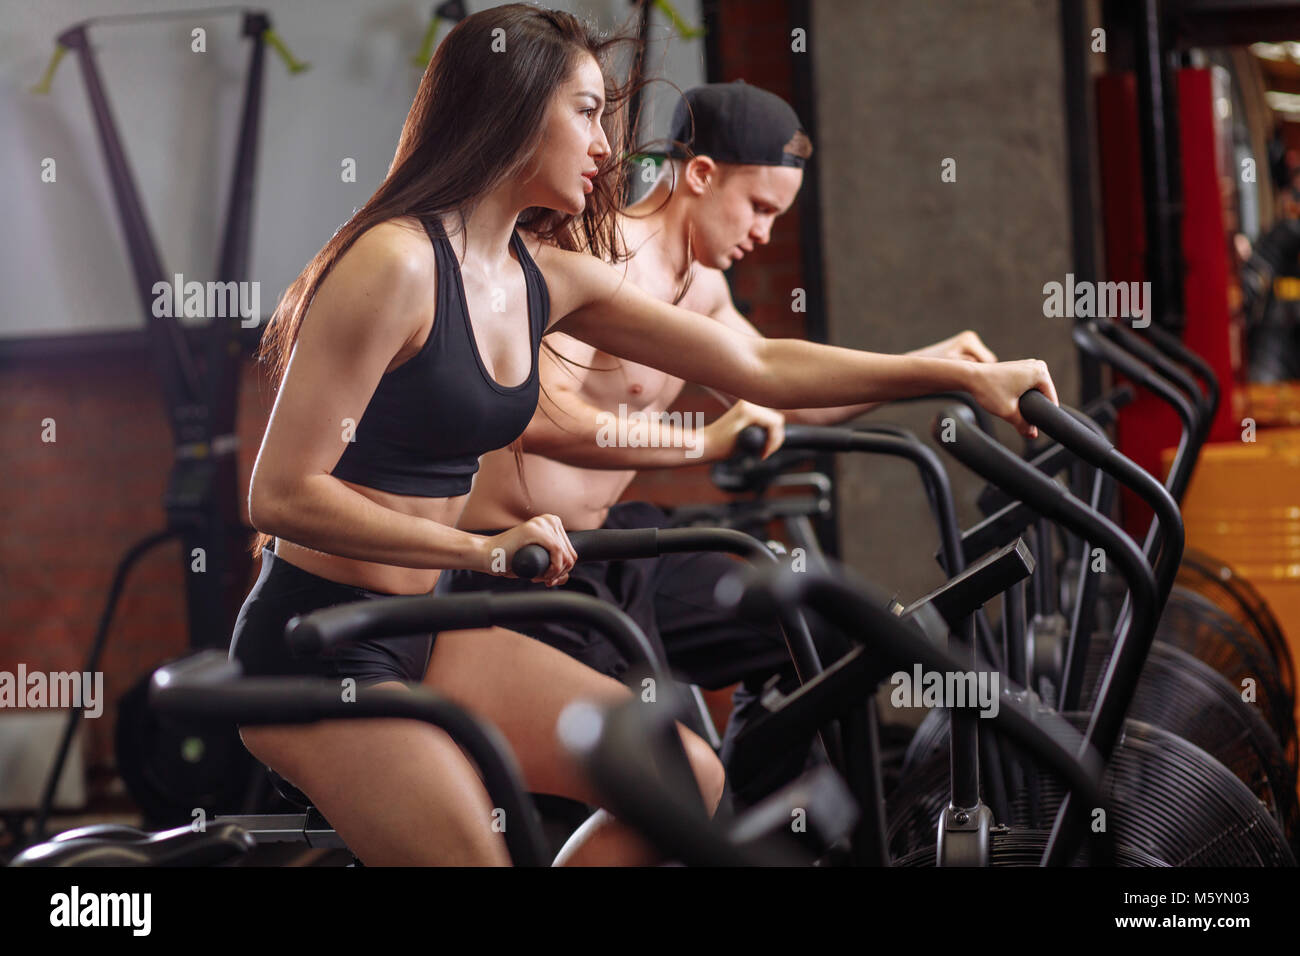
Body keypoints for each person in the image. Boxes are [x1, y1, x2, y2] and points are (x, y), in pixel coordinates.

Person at [230, 3, 1058, 866]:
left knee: (685, 780)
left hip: (428, 623)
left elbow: (762, 367)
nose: (607, 147)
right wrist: (481, 552)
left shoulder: (541, 275)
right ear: (512, 110)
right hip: (317, 645)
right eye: (586, 112)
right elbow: (281, 495)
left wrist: (954, 375)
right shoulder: (395, 264)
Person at [442, 80, 1002, 803]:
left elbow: (777, 382)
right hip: (523, 564)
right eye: (760, 208)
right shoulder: (591, 253)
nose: (766, 232)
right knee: (647, 769)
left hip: (613, 543)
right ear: (701, 175)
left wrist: (935, 370)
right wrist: (704, 439)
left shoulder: (702, 285)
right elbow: (542, 420)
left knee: (822, 631)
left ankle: (754, 826)